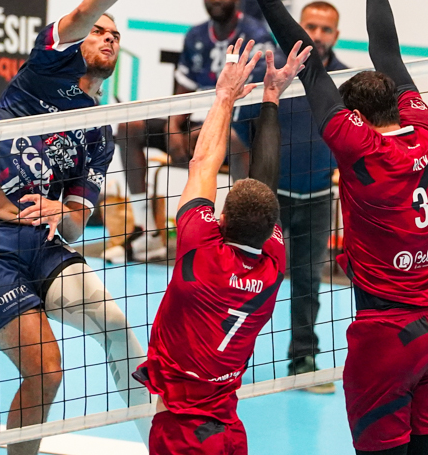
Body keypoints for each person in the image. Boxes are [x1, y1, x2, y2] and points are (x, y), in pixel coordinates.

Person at [218, 0, 428, 455]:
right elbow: (388, 53)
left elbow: (313, 72)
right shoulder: (425, 131)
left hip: (384, 337)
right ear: (399, 103)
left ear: (357, 120)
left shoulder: (362, 149)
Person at [0, 0, 166, 455]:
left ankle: (161, 445)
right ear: (80, 41)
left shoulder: (100, 131)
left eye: (115, 35)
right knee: (47, 371)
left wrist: (60, 208)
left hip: (41, 246)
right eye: (99, 32)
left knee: (115, 323)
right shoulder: (42, 74)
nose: (107, 37)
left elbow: (73, 224)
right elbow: (87, 9)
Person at [133, 37, 311, 455]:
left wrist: (226, 95)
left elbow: (202, 164)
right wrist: (271, 96)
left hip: (185, 433)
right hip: (228, 428)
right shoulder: (272, 264)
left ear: (222, 221)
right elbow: (265, 182)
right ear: (271, 230)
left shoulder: (201, 252)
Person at [110, 0, 280, 263]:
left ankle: (240, 237)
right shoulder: (195, 36)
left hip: (233, 125)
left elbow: (252, 100)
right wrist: (173, 128)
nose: (215, 0)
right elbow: (182, 94)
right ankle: (147, 234)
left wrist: (211, 132)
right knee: (130, 127)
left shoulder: (255, 35)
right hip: (193, 128)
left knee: (236, 141)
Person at [232, 0, 348, 393]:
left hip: (318, 195)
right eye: (311, 26)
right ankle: (233, 358)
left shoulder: (346, 78)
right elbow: (245, 130)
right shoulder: (274, 69)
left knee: (308, 281)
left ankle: (303, 357)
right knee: (251, 277)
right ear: (299, 26)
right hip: (270, 197)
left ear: (336, 34)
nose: (316, 35)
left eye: (325, 29)